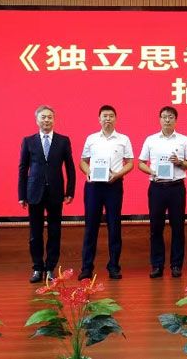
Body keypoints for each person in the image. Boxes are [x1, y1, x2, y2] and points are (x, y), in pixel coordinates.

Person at [18, 105, 76, 283]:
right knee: (35, 233)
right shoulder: (28, 141)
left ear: (54, 120)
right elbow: (23, 169)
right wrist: (22, 195)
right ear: (37, 120)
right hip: (34, 192)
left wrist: (70, 191)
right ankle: (37, 268)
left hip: (55, 192)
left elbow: (70, 167)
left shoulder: (63, 140)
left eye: (50, 117)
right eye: (43, 117)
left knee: (54, 232)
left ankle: (50, 268)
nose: (46, 120)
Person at [78, 105, 134, 280]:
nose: (107, 119)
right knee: (91, 227)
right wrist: (88, 172)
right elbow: (83, 161)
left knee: (114, 226)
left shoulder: (123, 139)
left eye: (111, 116)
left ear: (115, 119)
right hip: (94, 187)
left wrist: (117, 174)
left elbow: (130, 163)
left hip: (113, 186)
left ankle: (114, 266)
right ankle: (86, 268)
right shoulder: (91, 138)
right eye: (104, 116)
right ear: (99, 119)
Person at [138, 106, 187, 279]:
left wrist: (180, 162)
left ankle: (176, 265)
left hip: (176, 188)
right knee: (156, 228)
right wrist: (151, 171)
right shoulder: (151, 140)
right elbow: (141, 163)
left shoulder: (184, 140)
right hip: (157, 187)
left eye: (170, 117)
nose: (167, 120)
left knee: (178, 228)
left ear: (176, 120)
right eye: (164, 117)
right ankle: (157, 265)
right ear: (159, 119)